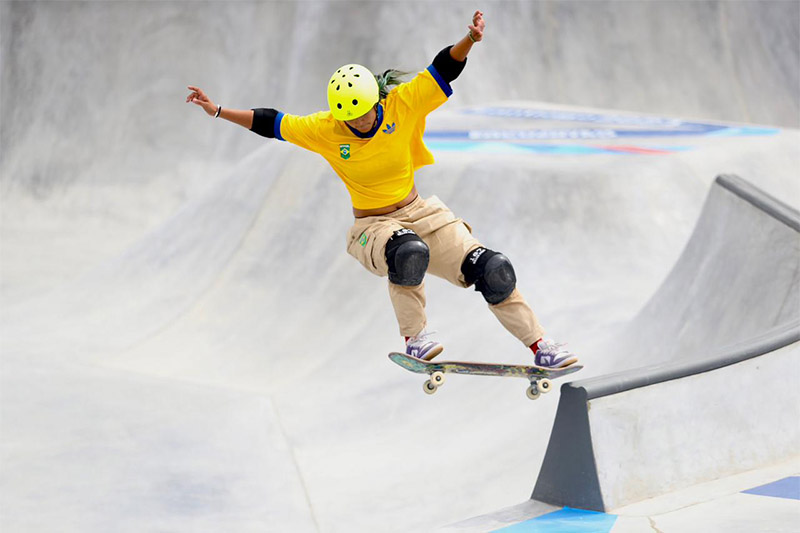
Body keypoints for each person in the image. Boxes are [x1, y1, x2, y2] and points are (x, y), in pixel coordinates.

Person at [186, 10, 577, 368]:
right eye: (349, 119)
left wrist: (469, 40)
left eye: (363, 114)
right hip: (371, 229)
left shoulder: (402, 105)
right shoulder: (326, 129)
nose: (357, 123)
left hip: (422, 213)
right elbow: (272, 122)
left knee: (493, 269)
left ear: (376, 99)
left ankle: (540, 345)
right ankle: (415, 339)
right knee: (408, 253)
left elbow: (442, 70)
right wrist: (218, 110)